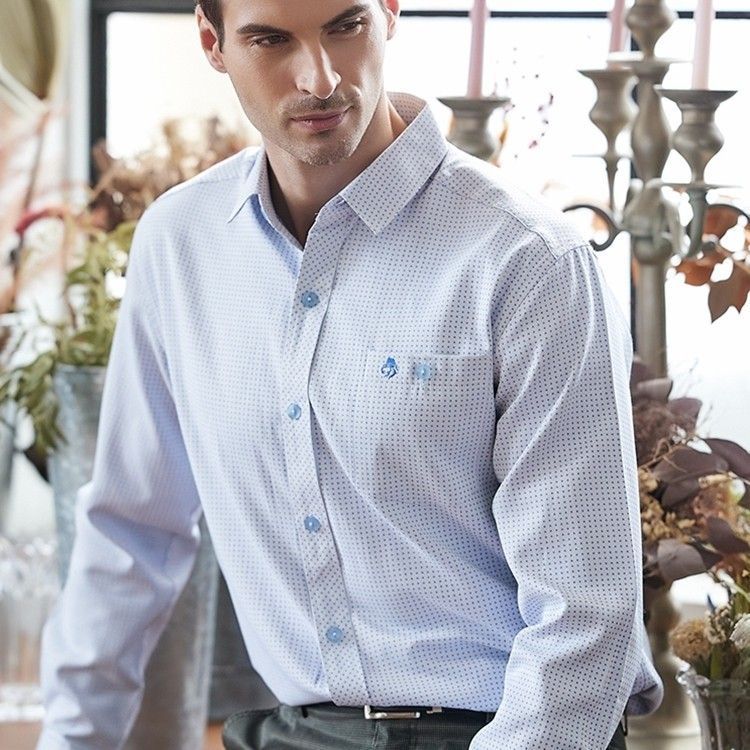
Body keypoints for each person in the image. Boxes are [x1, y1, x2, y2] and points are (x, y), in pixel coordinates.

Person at [38, 1, 663, 748]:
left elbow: (585, 615)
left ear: (389, 11)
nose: (321, 79)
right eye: (271, 40)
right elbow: (131, 534)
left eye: (345, 26)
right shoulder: (181, 245)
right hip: (293, 730)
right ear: (213, 41)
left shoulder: (528, 260)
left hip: (508, 727)